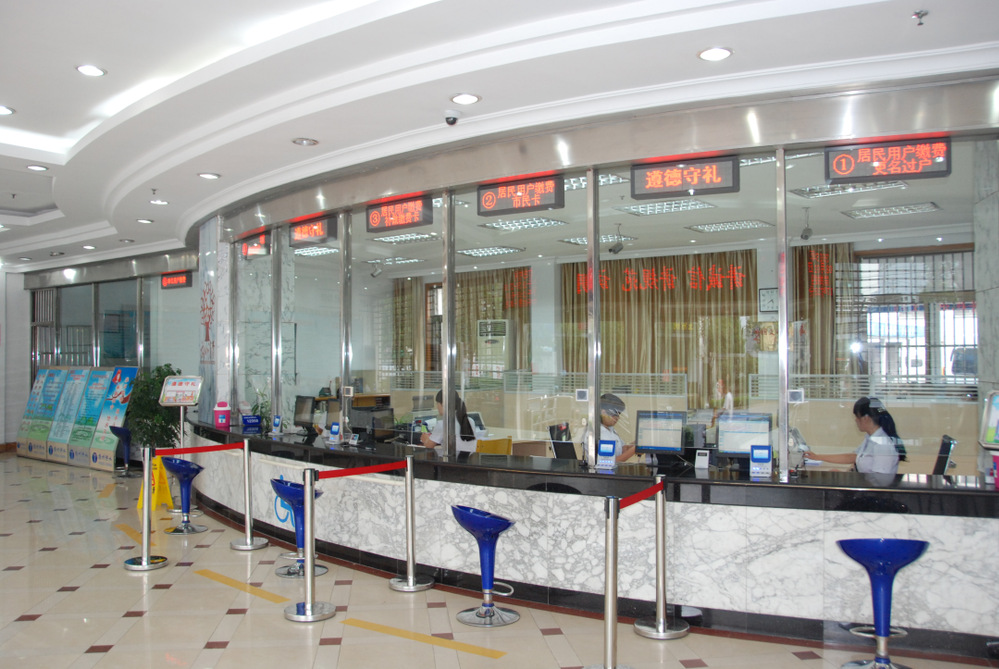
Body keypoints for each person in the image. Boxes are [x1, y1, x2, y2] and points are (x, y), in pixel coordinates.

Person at [805, 397, 906, 475]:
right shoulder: (871, 438)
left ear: (866, 418)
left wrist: (845, 478)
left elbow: (878, 482)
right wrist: (817, 457)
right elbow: (853, 457)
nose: (856, 420)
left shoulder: (883, 446)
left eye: (857, 417)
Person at [580, 393, 637, 465]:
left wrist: (636, 445)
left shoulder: (610, 429)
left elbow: (621, 449)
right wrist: (634, 450)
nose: (618, 418)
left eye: (619, 414)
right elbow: (610, 461)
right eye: (615, 414)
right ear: (603, 412)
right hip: (602, 471)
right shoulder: (598, 433)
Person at [420, 389, 479, 455]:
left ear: (443, 404)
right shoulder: (470, 421)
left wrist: (425, 439)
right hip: (467, 460)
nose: (437, 407)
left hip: (451, 460)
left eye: (437, 404)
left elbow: (429, 446)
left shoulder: (443, 424)